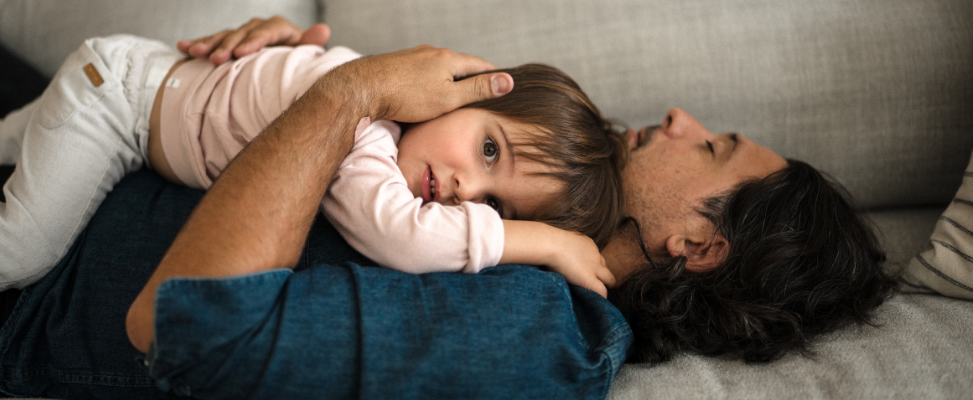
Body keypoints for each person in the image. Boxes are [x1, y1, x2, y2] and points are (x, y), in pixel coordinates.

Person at [140, 16, 895, 364]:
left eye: (711, 145)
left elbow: (184, 327)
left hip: (41, 281)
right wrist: (268, 90)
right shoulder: (532, 240)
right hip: (143, 115)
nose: (680, 117)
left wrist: (343, 94)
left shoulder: (534, 328)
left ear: (699, 245)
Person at [0, 26, 623, 297]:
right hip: (120, 105)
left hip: (126, 80)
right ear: (454, 83)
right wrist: (535, 237)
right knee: (21, 244)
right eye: (489, 150)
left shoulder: (377, 116)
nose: (462, 189)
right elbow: (402, 236)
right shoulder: (360, 129)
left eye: (493, 204)